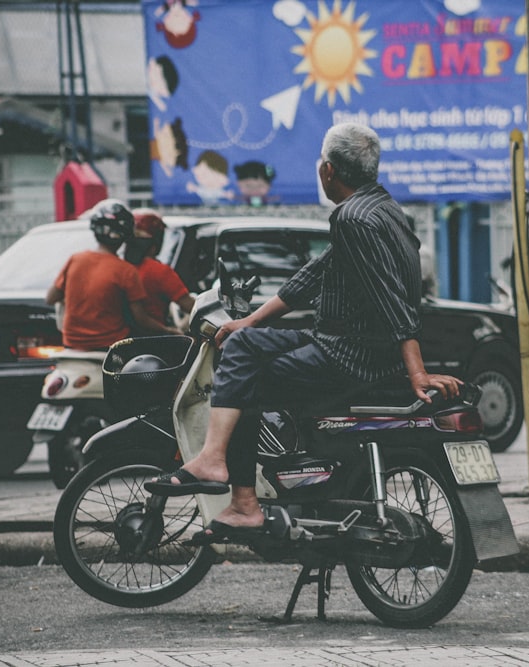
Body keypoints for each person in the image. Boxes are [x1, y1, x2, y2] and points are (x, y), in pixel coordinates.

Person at [145, 122, 462, 541]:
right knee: (242, 343)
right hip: (347, 344)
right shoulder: (383, 210)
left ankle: (236, 493)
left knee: (243, 376)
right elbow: (314, 275)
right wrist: (250, 320)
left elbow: (392, 299)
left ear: (328, 171)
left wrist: (417, 372)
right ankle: (257, 471)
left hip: (347, 356)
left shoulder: (353, 218)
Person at [46, 199, 179, 351]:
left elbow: (51, 298)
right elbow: (141, 320)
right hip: (111, 349)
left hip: (71, 347)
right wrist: (169, 332)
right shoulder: (126, 271)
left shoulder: (75, 260)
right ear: (126, 236)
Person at [124, 208, 195, 327]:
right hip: (155, 339)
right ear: (158, 238)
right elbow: (192, 307)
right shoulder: (159, 271)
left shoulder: (116, 266)